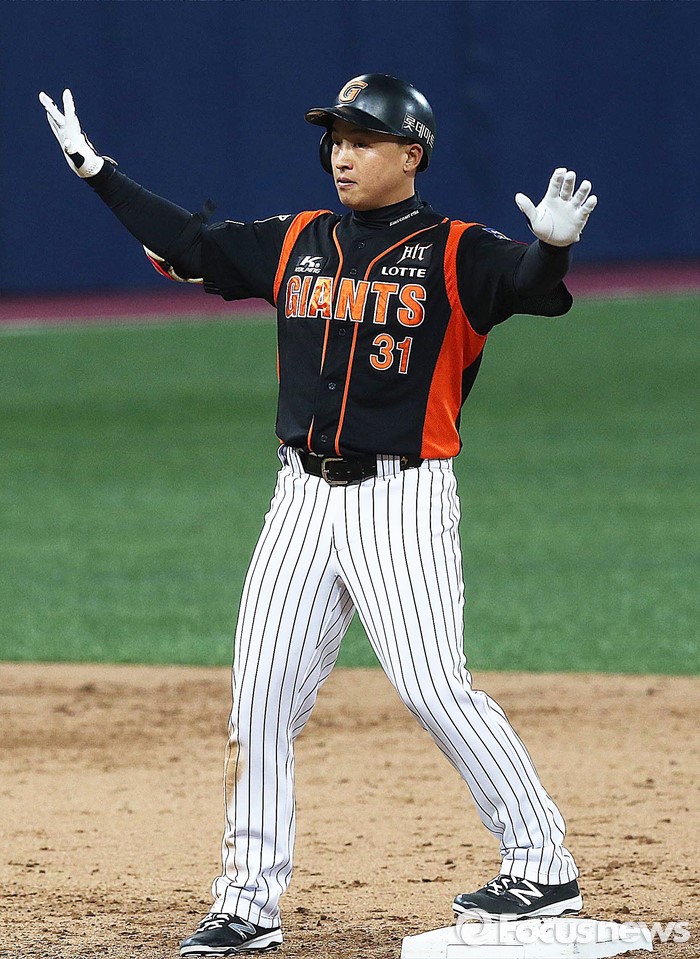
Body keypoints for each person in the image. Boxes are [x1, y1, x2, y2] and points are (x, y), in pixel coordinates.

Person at [40, 74, 597, 957]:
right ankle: (247, 901)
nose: (342, 154)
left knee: (432, 687)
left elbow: (530, 284)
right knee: (258, 698)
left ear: (411, 155)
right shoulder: (297, 241)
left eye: (362, 140)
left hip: (400, 501)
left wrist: (553, 249)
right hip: (297, 500)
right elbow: (190, 244)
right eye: (335, 138)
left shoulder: (457, 252)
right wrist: (97, 172)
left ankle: (542, 861)